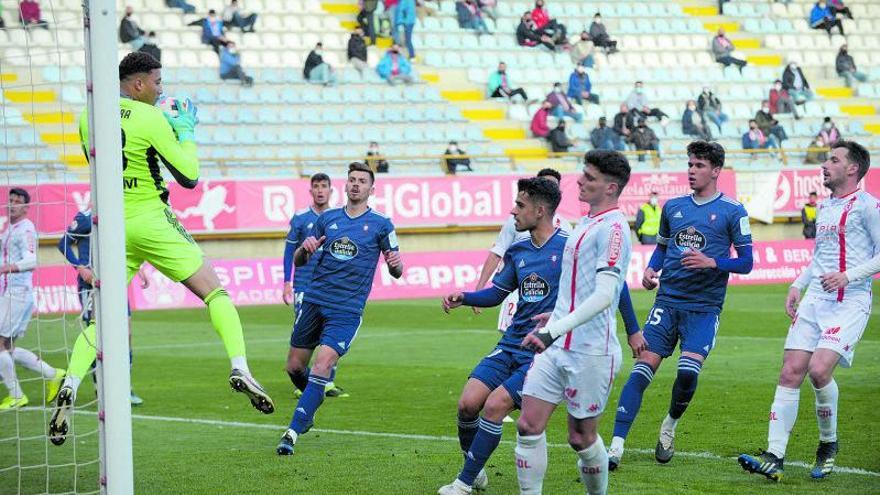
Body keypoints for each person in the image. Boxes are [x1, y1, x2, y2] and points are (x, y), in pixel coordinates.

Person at [52, 52, 276, 445]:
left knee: (100, 320)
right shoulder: (151, 117)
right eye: (157, 82)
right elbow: (189, 176)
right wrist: (185, 132)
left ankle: (70, 381)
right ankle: (240, 367)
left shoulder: (87, 116)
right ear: (137, 84)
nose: (161, 90)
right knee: (216, 292)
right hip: (152, 220)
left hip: (110, 226)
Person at [608, 141, 754, 470]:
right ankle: (616, 446)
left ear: (716, 171)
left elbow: (746, 263)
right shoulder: (673, 207)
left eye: (699, 165)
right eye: (690, 164)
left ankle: (669, 424)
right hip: (668, 302)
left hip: (703, 308)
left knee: (688, 373)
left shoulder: (733, 211)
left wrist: (712, 262)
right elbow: (661, 248)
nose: (692, 170)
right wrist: (651, 268)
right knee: (642, 370)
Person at [737, 141, 878, 481]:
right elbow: (819, 256)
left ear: (852, 168)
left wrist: (849, 275)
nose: (824, 165)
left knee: (818, 370)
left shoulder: (868, 206)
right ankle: (774, 456)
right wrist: (797, 285)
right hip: (816, 297)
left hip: (850, 300)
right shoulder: (827, 206)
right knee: (790, 371)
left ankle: (828, 444)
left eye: (833, 160)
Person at [437, 177, 569, 495]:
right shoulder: (518, 250)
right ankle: (476, 468)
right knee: (468, 403)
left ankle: (463, 483)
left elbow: (591, 294)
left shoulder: (569, 247)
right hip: (511, 343)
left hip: (544, 351)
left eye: (520, 205)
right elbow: (497, 293)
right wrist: (465, 297)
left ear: (539, 210)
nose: (513, 211)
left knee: (494, 406)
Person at [515, 150, 635, 495]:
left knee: (580, 438)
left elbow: (604, 295)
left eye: (590, 178)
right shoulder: (584, 222)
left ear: (611, 188)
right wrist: (555, 315)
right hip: (557, 346)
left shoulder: (614, 230)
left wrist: (554, 329)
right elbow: (577, 287)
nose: (580, 181)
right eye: (583, 174)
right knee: (527, 424)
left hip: (590, 352)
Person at [276, 162, 403, 455]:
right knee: (294, 367)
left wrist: (397, 267)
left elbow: (396, 267)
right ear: (345, 186)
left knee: (322, 365)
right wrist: (303, 250)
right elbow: (299, 261)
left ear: (372, 189)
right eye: (352, 180)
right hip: (314, 301)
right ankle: (313, 397)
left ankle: (293, 430)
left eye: (362, 181)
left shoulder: (382, 224)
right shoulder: (328, 220)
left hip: (346, 310)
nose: (356, 184)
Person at [57, 207, 146, 406]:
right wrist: (80, 267)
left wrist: (137, 268)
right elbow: (63, 243)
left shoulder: (116, 214)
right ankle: (101, 388)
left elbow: (120, 246)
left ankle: (125, 386)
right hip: (91, 285)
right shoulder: (85, 218)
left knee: (126, 333)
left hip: (115, 283)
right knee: (97, 336)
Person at [473, 169, 573, 335]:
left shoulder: (565, 227)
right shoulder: (515, 221)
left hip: (547, 298)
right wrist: (480, 288)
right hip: (516, 291)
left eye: (553, 186)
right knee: (513, 339)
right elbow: (497, 252)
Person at [282, 173, 349, 399]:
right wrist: (286, 282)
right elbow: (289, 251)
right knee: (305, 332)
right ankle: (303, 380)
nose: (320, 190)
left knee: (330, 331)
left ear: (331, 190)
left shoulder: (339, 217)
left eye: (324, 186)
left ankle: (327, 382)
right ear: (310, 191)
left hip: (330, 286)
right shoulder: (300, 218)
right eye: (316, 187)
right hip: (303, 286)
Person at [0, 189, 64, 410]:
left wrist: (7, 268)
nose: (13, 204)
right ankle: (54, 374)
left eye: (18, 202)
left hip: (17, 294)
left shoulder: (26, 228)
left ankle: (16, 395)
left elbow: (32, 260)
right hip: (9, 294)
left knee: (0, 346)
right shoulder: (10, 229)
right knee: (7, 348)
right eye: (11, 200)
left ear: (26, 207)